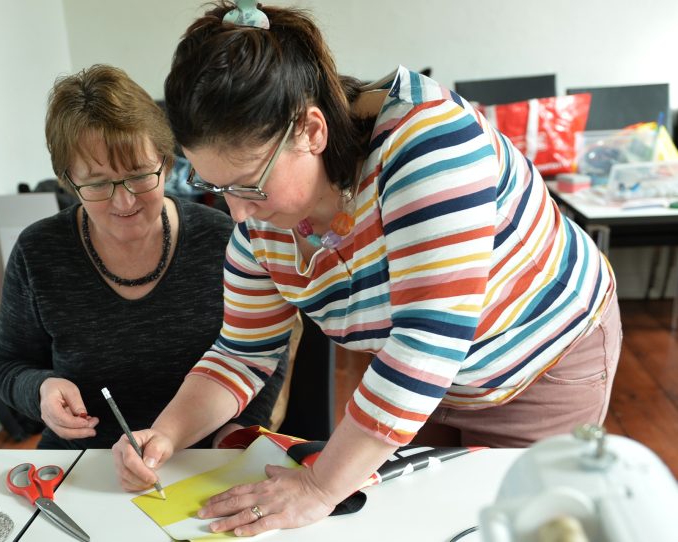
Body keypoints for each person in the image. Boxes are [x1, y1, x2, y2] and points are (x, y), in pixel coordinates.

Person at [112, 1, 621, 536]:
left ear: (311, 130)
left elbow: (425, 348)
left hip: (540, 363)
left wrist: (319, 487)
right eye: (216, 187)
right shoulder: (258, 230)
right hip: (428, 383)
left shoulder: (429, 145)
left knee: (517, 521)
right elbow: (241, 354)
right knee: (419, 522)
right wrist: (166, 433)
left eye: (248, 184)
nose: (237, 213)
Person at [0, 64, 286, 450]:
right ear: (69, 180)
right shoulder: (39, 251)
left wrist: (238, 431)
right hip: (87, 459)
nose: (124, 201)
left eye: (140, 175)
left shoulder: (224, 240)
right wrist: (42, 389)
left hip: (202, 457)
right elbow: (8, 366)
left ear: (167, 162)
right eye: (97, 184)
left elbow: (263, 356)